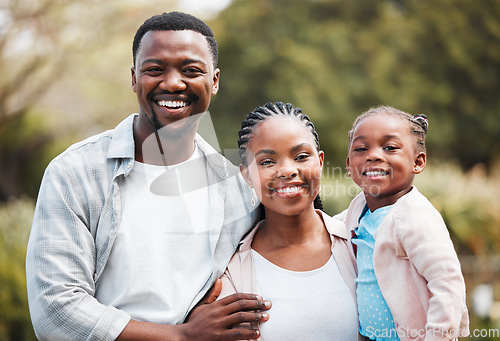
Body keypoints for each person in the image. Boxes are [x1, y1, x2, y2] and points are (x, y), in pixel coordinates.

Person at [25, 12, 270, 341]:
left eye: (191, 70)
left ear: (214, 80)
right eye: (155, 69)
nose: (172, 83)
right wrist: (181, 336)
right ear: (134, 78)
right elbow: (55, 311)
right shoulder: (74, 174)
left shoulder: (236, 188)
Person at [218, 102, 361, 340]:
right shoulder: (231, 272)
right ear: (247, 176)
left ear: (321, 161)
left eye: (301, 156)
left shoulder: (359, 244)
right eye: (266, 162)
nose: (287, 170)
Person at [344, 105, 470, 341]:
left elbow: (447, 284)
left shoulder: (415, 214)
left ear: (418, 161)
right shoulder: (358, 209)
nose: (373, 155)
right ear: (349, 165)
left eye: (390, 147)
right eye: (361, 148)